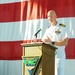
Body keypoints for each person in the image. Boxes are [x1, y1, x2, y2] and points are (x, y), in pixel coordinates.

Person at [42, 10, 68, 75]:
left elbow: (65, 42)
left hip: (59, 56)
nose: (50, 18)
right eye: (48, 16)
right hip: (49, 57)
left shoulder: (62, 27)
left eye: (51, 16)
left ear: (56, 16)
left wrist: (52, 43)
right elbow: (43, 41)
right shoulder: (48, 29)